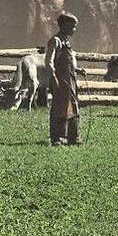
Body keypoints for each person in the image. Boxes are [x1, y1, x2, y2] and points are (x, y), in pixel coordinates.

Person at [45, 12, 85, 146]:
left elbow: (70, 63)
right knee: (60, 107)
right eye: (73, 26)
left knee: (73, 105)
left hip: (70, 80)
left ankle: (73, 137)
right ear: (64, 25)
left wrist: (78, 70)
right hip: (60, 79)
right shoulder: (55, 41)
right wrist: (54, 78)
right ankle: (58, 137)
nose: (75, 30)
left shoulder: (66, 42)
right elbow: (49, 62)